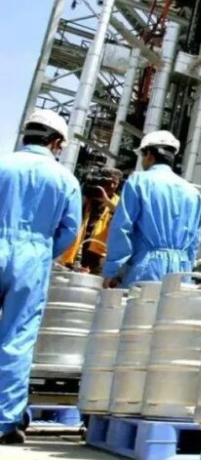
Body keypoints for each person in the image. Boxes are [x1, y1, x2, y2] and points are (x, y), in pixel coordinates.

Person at [0, 110, 81, 445]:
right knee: (17, 338)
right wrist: (43, 252)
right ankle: (5, 420)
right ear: (57, 142)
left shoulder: (3, 165)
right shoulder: (65, 179)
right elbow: (70, 231)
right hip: (32, 257)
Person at [103, 131, 201, 289]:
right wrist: (187, 270)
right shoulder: (195, 194)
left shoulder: (139, 182)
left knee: (139, 304)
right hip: (180, 271)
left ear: (149, 155)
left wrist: (112, 271)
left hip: (146, 268)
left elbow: (122, 229)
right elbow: (194, 244)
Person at [59, 168, 123, 273]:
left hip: (97, 256)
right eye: (109, 182)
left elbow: (123, 219)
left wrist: (107, 202)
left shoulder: (119, 203)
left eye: (115, 183)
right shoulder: (87, 198)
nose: (111, 186)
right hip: (73, 254)